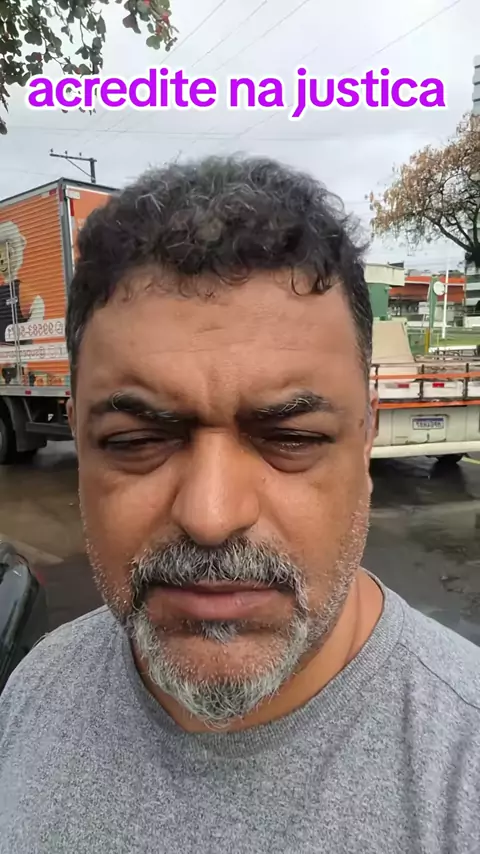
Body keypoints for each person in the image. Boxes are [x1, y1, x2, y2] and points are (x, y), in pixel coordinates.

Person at [0, 155, 479, 854]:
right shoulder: (35, 690)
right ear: (79, 437)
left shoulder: (462, 768)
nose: (211, 514)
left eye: (291, 438)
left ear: (366, 440)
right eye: (136, 441)